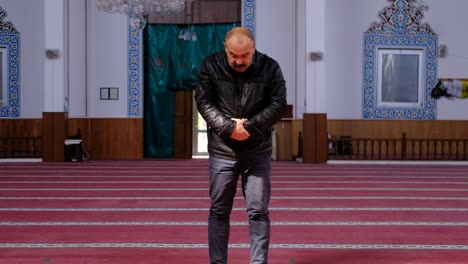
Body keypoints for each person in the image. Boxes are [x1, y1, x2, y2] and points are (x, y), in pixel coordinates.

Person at [194, 27, 287, 264]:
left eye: (244, 55)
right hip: (222, 152)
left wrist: (250, 127)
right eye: (233, 55)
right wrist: (228, 127)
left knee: (258, 212)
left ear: (253, 49)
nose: (238, 60)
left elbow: (278, 104)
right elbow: (204, 102)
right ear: (225, 48)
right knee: (219, 212)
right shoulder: (210, 65)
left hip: (257, 152)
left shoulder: (270, 67)